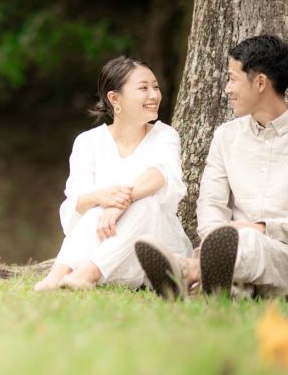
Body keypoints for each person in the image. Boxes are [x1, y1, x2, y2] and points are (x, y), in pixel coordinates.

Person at [135, 35, 288, 300]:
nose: (226, 89)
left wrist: (254, 229)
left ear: (260, 83)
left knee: (250, 241)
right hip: (230, 256)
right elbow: (210, 203)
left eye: (232, 79)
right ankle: (210, 288)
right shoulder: (226, 136)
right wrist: (217, 235)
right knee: (232, 290)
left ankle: (185, 269)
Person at [34, 57, 193, 291]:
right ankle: (58, 274)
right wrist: (102, 197)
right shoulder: (88, 142)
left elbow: (162, 173)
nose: (154, 95)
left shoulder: (165, 136)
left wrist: (119, 203)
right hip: (100, 244)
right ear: (114, 98)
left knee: (146, 200)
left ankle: (87, 274)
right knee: (95, 203)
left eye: (156, 87)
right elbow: (77, 202)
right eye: (143, 88)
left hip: (150, 252)